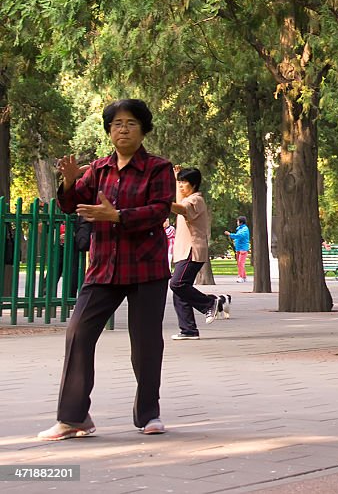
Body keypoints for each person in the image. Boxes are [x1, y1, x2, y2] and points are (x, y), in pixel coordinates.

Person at [39, 99, 174, 440]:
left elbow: (159, 211)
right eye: (116, 123)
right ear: (109, 130)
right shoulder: (98, 169)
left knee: (145, 343)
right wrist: (70, 182)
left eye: (130, 123)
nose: (123, 129)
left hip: (145, 266)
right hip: (103, 267)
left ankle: (148, 415)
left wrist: (118, 216)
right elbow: (72, 205)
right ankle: (74, 418)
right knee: (78, 334)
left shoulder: (158, 168)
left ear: (143, 129)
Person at [169, 167, 230, 340]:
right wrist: (176, 180)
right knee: (180, 292)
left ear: (194, 184)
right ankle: (188, 330)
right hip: (183, 251)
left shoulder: (196, 200)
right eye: (180, 182)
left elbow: (180, 208)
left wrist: (159, 201)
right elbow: (180, 202)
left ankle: (211, 303)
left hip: (192, 250)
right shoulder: (188, 198)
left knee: (177, 284)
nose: (181, 186)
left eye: (184, 182)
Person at [224, 216, 251, 283]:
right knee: (239, 263)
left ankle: (241, 277)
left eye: (238, 221)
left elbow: (239, 236)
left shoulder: (244, 229)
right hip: (239, 248)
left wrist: (230, 234)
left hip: (243, 249)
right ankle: (244, 277)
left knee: (241, 263)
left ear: (241, 222)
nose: (237, 222)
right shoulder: (240, 229)